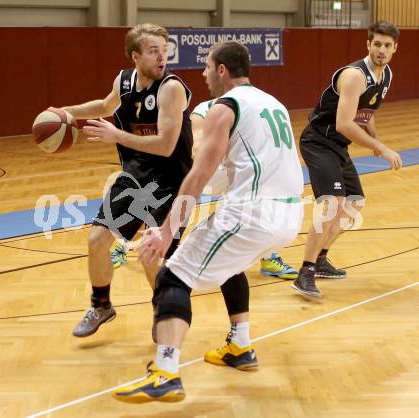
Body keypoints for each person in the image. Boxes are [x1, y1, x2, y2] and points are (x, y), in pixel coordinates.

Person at [111, 41, 304, 403]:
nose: (201, 74)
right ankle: (240, 347)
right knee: (230, 266)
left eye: (206, 66)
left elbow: (199, 175)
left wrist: (167, 233)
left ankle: (166, 372)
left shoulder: (224, 106)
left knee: (173, 274)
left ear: (221, 70)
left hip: (253, 212)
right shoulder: (272, 103)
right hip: (291, 212)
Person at [62, 23, 194, 337]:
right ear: (136, 56)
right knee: (96, 241)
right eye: (154, 51)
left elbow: (165, 145)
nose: (162, 57)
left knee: (151, 255)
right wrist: (65, 112)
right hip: (135, 178)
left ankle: (162, 310)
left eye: (165, 50)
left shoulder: (171, 88)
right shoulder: (124, 81)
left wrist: (115, 135)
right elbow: (105, 106)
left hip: (173, 183)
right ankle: (101, 304)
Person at [293, 21, 402, 298]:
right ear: (368, 45)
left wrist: (374, 140)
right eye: (376, 43)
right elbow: (343, 123)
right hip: (319, 141)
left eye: (387, 45)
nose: (381, 50)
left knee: (354, 205)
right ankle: (304, 271)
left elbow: (367, 111)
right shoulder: (355, 75)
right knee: (332, 204)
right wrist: (382, 146)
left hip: (338, 147)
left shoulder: (385, 75)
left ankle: (320, 259)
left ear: (394, 49)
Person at [191, 100, 299, 280]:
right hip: (213, 170)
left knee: (261, 198)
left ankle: (268, 256)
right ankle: (199, 248)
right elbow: (197, 149)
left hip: (239, 172)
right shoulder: (204, 110)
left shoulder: (250, 108)